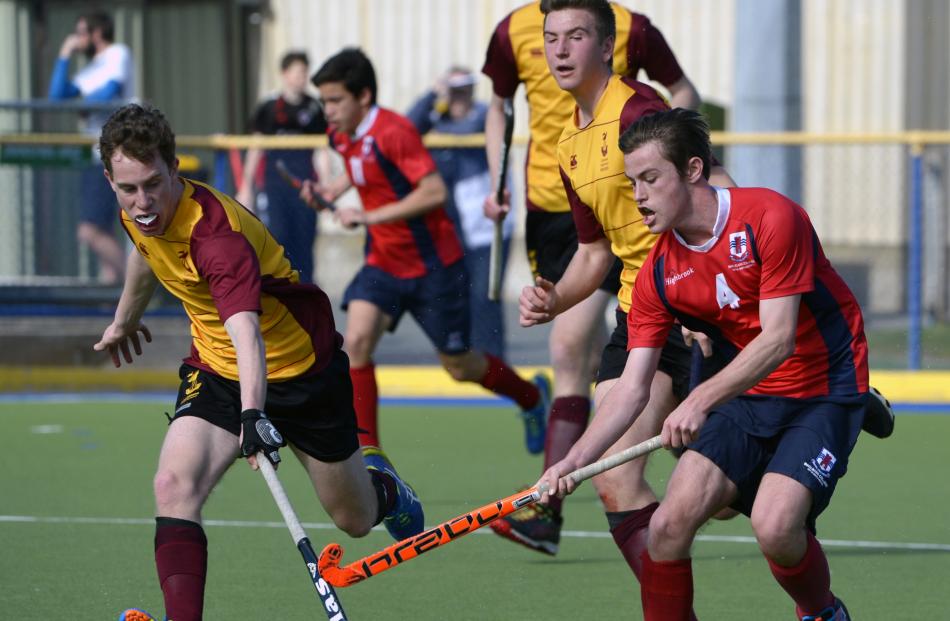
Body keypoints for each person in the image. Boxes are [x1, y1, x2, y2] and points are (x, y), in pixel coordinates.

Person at [91, 103, 423, 621]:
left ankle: (387, 488)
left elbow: (247, 331)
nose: (142, 202)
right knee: (174, 485)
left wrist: (253, 415)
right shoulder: (137, 209)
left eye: (153, 185)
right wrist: (124, 319)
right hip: (218, 370)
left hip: (301, 369)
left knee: (354, 519)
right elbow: (143, 249)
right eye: (128, 189)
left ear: (176, 168)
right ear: (111, 180)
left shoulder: (216, 239)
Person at [539, 107, 868, 621]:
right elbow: (631, 389)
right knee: (669, 526)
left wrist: (698, 399)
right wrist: (572, 462)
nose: (638, 195)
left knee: (776, 526)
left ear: (693, 170)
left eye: (650, 178)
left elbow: (778, 339)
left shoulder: (770, 217)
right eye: (632, 182)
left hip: (822, 389)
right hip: (748, 396)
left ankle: (821, 612)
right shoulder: (658, 272)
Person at [481, 0, 702, 554]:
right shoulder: (570, 144)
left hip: (691, 309)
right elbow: (594, 251)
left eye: (575, 36)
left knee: (723, 495)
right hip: (636, 307)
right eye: (551, 38)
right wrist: (553, 299)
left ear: (605, 46)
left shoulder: (638, 112)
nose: (559, 49)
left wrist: (708, 294)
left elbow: (712, 198)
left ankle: (825, 393)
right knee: (614, 476)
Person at [303, 48, 549, 457]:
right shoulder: (341, 134)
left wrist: (368, 216)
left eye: (334, 101)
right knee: (357, 341)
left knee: (460, 366)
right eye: (323, 101)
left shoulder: (395, 131)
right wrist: (330, 190)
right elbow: (361, 165)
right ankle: (372, 461)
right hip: (383, 263)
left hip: (434, 266)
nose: (326, 111)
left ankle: (531, 397)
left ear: (363, 97)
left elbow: (434, 192)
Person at [406, 66, 513, 359]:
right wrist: (433, 95)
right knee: (457, 292)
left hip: (485, 222)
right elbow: (406, 128)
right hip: (453, 224)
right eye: (455, 90)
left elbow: (466, 129)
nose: (460, 96)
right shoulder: (436, 118)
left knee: (485, 293)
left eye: (465, 89)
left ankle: (492, 357)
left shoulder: (481, 117)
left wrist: (442, 119)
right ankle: (469, 357)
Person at [49, 10, 135, 284]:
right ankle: (114, 292)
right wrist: (65, 54)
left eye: (81, 33)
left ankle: (138, 285)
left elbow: (110, 91)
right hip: (96, 155)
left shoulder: (118, 53)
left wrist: (84, 107)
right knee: (102, 229)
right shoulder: (87, 70)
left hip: (116, 152)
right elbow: (56, 96)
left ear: (97, 33)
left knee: (89, 230)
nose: (77, 38)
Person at [237, 50, 327, 284]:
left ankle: (307, 294)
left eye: (305, 72)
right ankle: (278, 292)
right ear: (285, 74)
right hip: (275, 187)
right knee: (278, 237)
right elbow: (255, 148)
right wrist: (246, 187)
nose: (302, 77)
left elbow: (321, 150)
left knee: (305, 242)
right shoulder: (269, 108)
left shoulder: (315, 108)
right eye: (298, 72)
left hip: (305, 186)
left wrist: (324, 184)